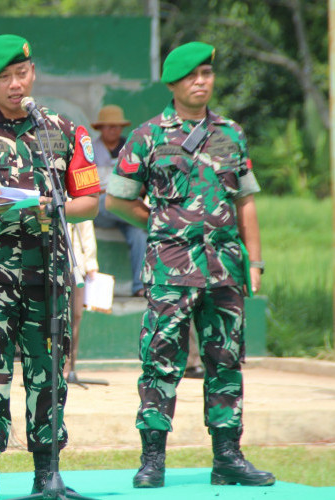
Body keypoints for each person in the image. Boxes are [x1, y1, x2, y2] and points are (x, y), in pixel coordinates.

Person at [0, 34, 101, 500]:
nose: (15, 84)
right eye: (4, 78)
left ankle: (47, 474)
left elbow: (90, 200)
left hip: (47, 271)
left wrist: (58, 208)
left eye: (21, 73)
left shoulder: (64, 131)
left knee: (48, 372)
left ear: (34, 72)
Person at [105, 42, 274, 488]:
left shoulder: (232, 134)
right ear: (173, 84)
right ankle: (152, 460)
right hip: (170, 270)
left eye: (207, 73)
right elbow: (117, 199)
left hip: (224, 269)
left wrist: (254, 262)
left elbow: (246, 203)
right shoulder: (148, 135)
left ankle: (228, 457)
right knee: (160, 361)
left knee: (225, 361)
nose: (201, 82)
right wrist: (160, 224)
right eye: (191, 76)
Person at [91, 105, 147, 297]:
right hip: (100, 208)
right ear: (100, 128)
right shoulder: (89, 150)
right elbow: (88, 188)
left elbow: (141, 184)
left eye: (116, 126)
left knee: (139, 232)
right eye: (108, 126)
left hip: (127, 208)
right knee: (110, 200)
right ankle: (152, 220)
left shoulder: (131, 150)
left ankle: (139, 286)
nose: (113, 130)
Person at [63, 220, 98, 380]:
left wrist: (91, 263)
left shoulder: (78, 198)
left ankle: (70, 366)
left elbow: (87, 234)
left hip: (77, 267)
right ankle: (54, 364)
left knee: (75, 316)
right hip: (54, 265)